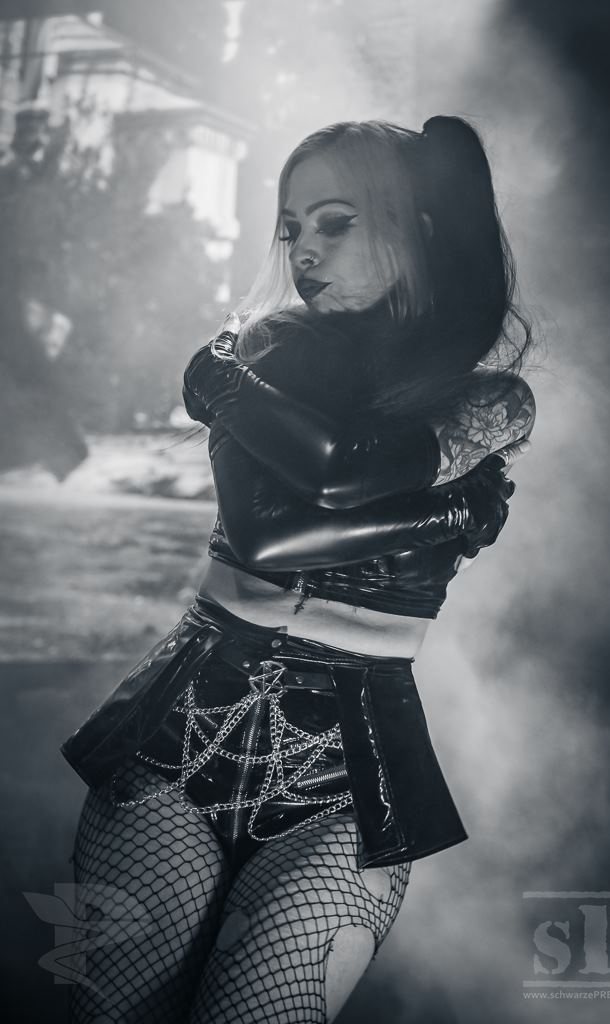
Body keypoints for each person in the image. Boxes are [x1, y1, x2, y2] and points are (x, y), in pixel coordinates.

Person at [61, 117, 536, 1023]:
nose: (303, 249)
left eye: (333, 222)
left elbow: (342, 476)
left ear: (414, 225)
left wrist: (219, 386)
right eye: (290, 229)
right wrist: (448, 512)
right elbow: (268, 538)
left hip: (348, 780)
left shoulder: (490, 400)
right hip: (178, 741)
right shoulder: (265, 353)